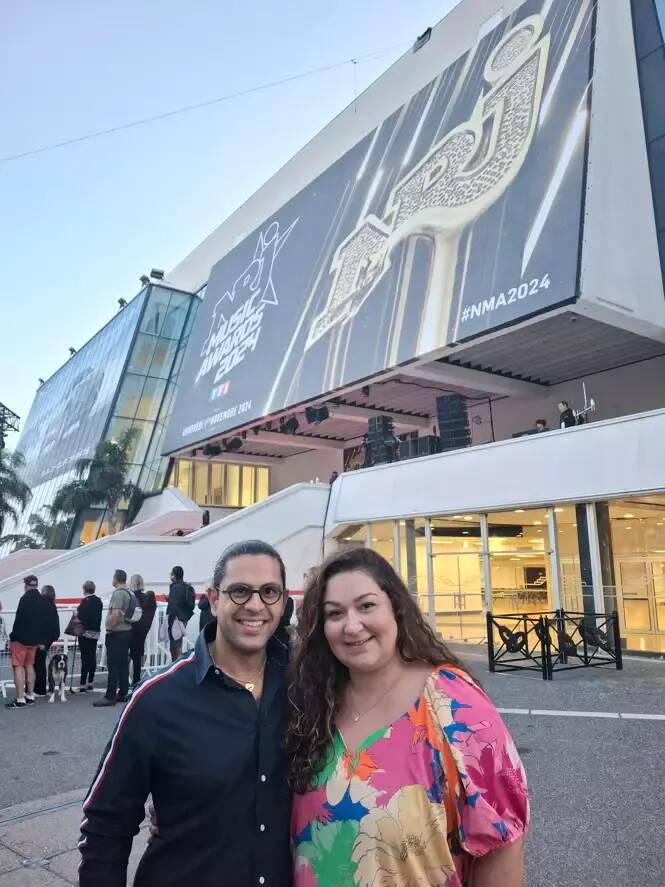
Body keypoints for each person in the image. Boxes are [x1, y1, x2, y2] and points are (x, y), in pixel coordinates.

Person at [286, 548, 529, 887]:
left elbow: (501, 845)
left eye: (366, 605)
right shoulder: (313, 707)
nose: (352, 626)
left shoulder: (451, 701)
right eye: (335, 613)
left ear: (396, 608)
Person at [78, 539, 292, 886]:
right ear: (214, 598)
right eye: (239, 591)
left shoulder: (303, 687)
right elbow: (105, 826)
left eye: (269, 592)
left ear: (282, 602)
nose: (255, 605)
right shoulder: (157, 699)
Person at [93, 569, 132, 708]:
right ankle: (123, 692)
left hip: (117, 633)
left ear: (116, 578)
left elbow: (115, 614)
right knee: (122, 664)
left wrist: (109, 626)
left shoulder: (119, 594)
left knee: (113, 665)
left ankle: (110, 696)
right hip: (127, 632)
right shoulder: (129, 592)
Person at [5, 575, 42, 708]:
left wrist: (13, 636)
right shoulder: (41, 599)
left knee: (18, 666)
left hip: (21, 639)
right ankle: (30, 695)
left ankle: (20, 698)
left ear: (26, 585)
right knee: (30, 665)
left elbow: (19, 621)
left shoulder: (24, 599)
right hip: (34, 640)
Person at [128, 574, 157, 689]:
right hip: (142, 632)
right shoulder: (148, 598)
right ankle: (136, 681)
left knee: (125, 657)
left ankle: (123, 682)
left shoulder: (132, 598)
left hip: (130, 630)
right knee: (137, 659)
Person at [34, 585, 61, 697]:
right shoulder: (52, 605)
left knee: (37, 663)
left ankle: (39, 689)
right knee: (40, 662)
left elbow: (39, 623)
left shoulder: (41, 604)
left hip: (41, 638)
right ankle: (41, 688)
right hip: (49, 638)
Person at [76, 580, 102, 693]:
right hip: (95, 632)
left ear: (84, 589)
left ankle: (82, 683)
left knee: (85, 658)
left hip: (85, 633)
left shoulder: (85, 602)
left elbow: (81, 618)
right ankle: (90, 681)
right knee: (92, 656)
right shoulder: (99, 601)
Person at [166, 565, 195, 661]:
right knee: (178, 642)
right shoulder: (185, 586)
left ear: (174, 575)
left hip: (175, 619)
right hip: (184, 618)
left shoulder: (175, 587)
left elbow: (174, 604)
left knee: (175, 645)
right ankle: (178, 664)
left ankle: (177, 666)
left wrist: (170, 619)